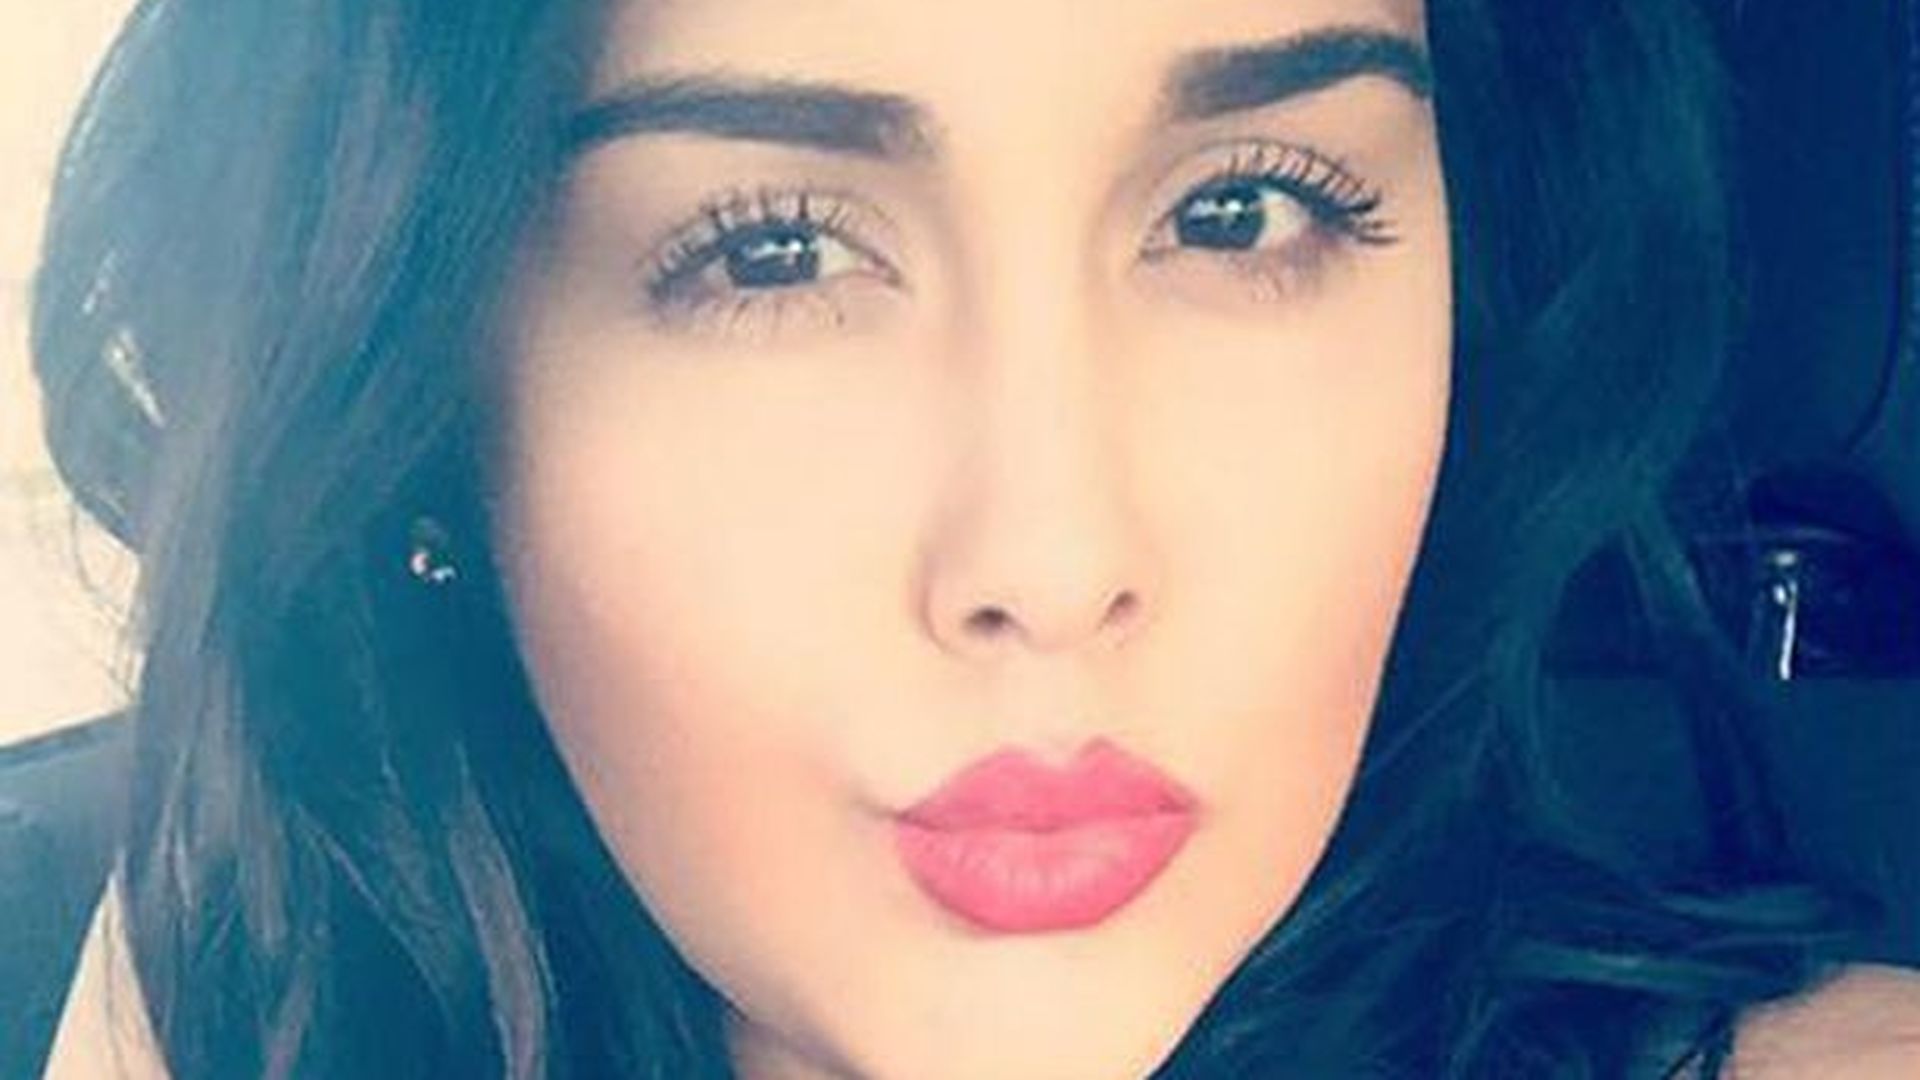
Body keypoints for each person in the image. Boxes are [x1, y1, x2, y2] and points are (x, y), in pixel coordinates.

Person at [23, 0, 1920, 1075]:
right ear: (423, 389)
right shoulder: (239, 984)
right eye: (774, 254)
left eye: (1244, 213)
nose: (1058, 558)